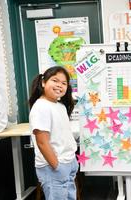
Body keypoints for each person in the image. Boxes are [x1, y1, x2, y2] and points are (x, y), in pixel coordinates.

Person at [29, 66, 78, 200]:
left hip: (68, 162)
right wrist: (57, 166)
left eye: (64, 83)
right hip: (54, 167)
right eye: (55, 80)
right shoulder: (41, 107)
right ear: (43, 82)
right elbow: (42, 142)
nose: (59, 86)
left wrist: (71, 161)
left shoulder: (60, 105)